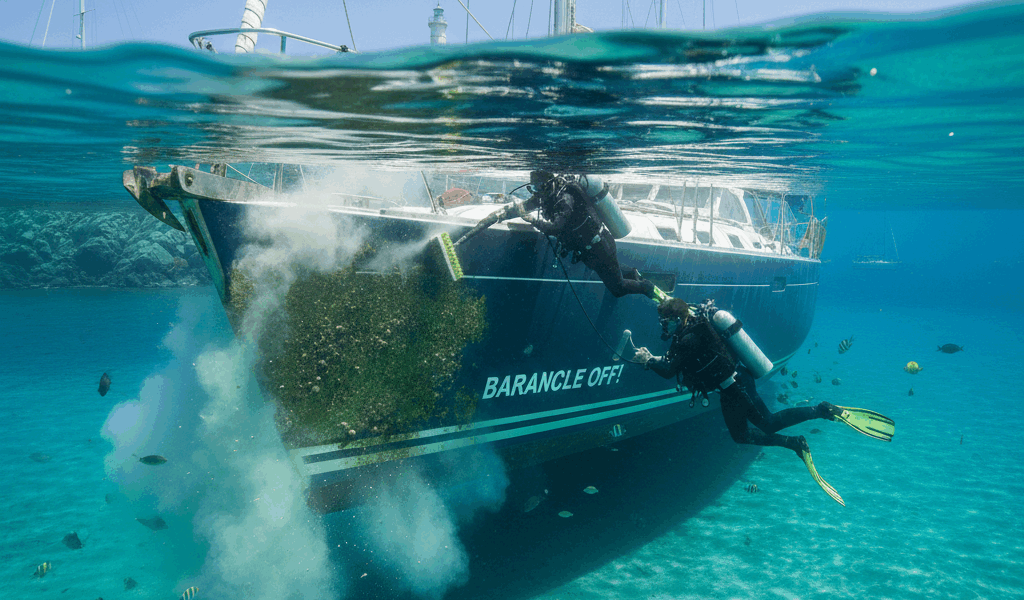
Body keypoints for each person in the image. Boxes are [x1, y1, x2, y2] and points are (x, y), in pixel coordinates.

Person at [633, 298, 895, 506]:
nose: (663, 326)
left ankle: (822, 410)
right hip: (732, 387)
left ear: (678, 318)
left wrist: (648, 362)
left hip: (737, 386)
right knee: (741, 435)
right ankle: (794, 443)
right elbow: (676, 360)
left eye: (665, 321)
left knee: (767, 423)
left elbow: (669, 370)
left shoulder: (689, 337)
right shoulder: (694, 326)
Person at [518, 171, 656, 299]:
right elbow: (525, 207)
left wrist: (533, 220)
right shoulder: (546, 196)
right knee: (606, 269)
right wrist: (505, 213)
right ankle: (632, 273)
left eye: (538, 189)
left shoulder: (566, 198)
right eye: (533, 189)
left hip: (600, 246)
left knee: (617, 288)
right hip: (588, 251)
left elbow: (555, 228)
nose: (537, 194)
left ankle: (648, 288)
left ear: (549, 185)